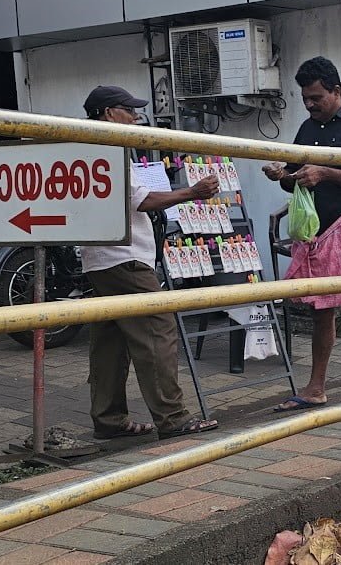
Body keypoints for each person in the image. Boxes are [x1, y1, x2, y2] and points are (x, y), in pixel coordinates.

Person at [80, 85, 221, 440]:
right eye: (131, 110)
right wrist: (192, 192)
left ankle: (109, 420)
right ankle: (172, 417)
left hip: (101, 258)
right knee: (157, 328)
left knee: (111, 340)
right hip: (124, 257)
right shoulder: (107, 150)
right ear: (111, 113)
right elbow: (140, 201)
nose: (137, 117)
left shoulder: (86, 146)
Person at [263, 57, 341, 411]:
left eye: (317, 97)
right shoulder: (306, 129)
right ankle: (316, 387)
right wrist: (282, 175)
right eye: (306, 99)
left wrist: (326, 173)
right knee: (319, 310)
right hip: (313, 228)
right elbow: (295, 179)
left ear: (336, 92)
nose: (311, 104)